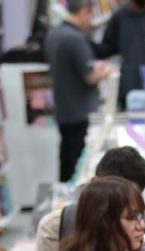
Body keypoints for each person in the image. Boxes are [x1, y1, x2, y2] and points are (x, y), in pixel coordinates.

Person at [46, 0, 115, 182]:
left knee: (66, 159)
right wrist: (107, 70)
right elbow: (90, 76)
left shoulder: (54, 34)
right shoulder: (75, 39)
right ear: (84, 11)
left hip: (64, 109)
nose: (91, 20)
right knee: (78, 164)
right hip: (79, 111)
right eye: (91, 15)